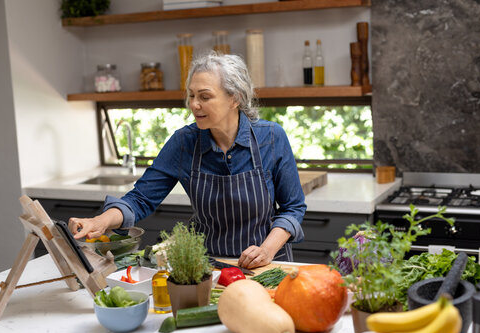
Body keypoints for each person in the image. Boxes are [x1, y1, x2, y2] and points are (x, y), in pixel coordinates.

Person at [69, 52, 306, 269]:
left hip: (268, 265)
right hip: (207, 266)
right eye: (191, 95)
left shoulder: (271, 137)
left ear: (235, 98)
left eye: (205, 96)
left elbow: (292, 208)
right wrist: (99, 221)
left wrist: (266, 250)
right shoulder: (184, 142)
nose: (194, 104)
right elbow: (141, 199)